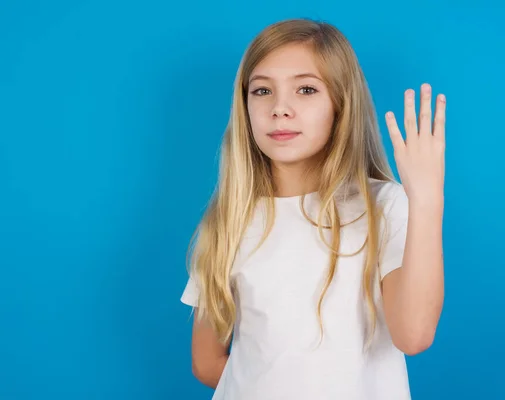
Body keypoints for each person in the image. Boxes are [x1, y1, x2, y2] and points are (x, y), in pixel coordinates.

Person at [180, 17, 446, 400]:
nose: (280, 108)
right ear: (245, 107)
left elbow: (414, 333)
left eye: (306, 89)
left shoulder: (383, 207)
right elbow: (206, 362)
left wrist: (427, 201)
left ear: (341, 103)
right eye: (261, 91)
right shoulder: (229, 219)